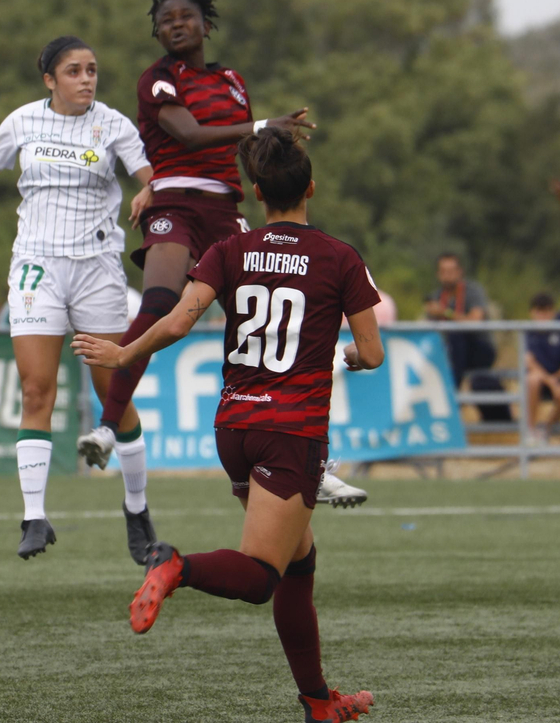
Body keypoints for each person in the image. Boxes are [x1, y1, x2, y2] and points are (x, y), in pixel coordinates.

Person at [73, 127, 380, 723]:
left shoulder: (229, 251)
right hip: (290, 433)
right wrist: (344, 356)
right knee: (263, 574)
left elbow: (178, 320)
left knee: (299, 564)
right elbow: (372, 352)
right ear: (310, 187)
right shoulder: (340, 256)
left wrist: (121, 355)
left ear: (257, 192)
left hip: (234, 429)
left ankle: (319, 701)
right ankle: (174, 564)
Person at [81, 0, 366, 508]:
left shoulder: (233, 80)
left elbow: (249, 147)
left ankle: (315, 459)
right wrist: (259, 124)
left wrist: (276, 144)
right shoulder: (157, 80)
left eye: (185, 16)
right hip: (175, 200)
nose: (176, 25)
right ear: (158, 35)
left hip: (225, 208)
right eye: (165, 21)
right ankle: (106, 425)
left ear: (206, 24)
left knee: (272, 322)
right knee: (163, 301)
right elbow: (186, 134)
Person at [0, 35, 157, 562]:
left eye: (92, 69)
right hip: (36, 267)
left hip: (97, 269)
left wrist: (148, 188)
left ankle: (137, 509)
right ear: (49, 79)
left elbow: (150, 174)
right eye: (73, 71)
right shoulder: (23, 121)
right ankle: (33, 517)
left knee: (111, 393)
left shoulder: (113, 124)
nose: (87, 79)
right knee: (36, 390)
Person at [424, 253, 507, 423]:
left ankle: (451, 394)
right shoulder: (437, 296)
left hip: (479, 348)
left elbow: (475, 321)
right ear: (438, 274)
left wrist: (445, 313)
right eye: (444, 271)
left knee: (457, 335)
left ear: (460, 272)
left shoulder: (473, 290)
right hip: (451, 354)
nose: (448, 275)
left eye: (451, 270)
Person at [523, 293, 560, 440]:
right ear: (532, 312)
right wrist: (550, 381)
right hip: (540, 381)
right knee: (532, 379)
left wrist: (555, 380)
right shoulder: (526, 332)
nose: (543, 315)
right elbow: (529, 362)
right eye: (539, 310)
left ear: (554, 312)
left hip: (558, 379)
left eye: (547, 310)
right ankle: (530, 432)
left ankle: (546, 428)